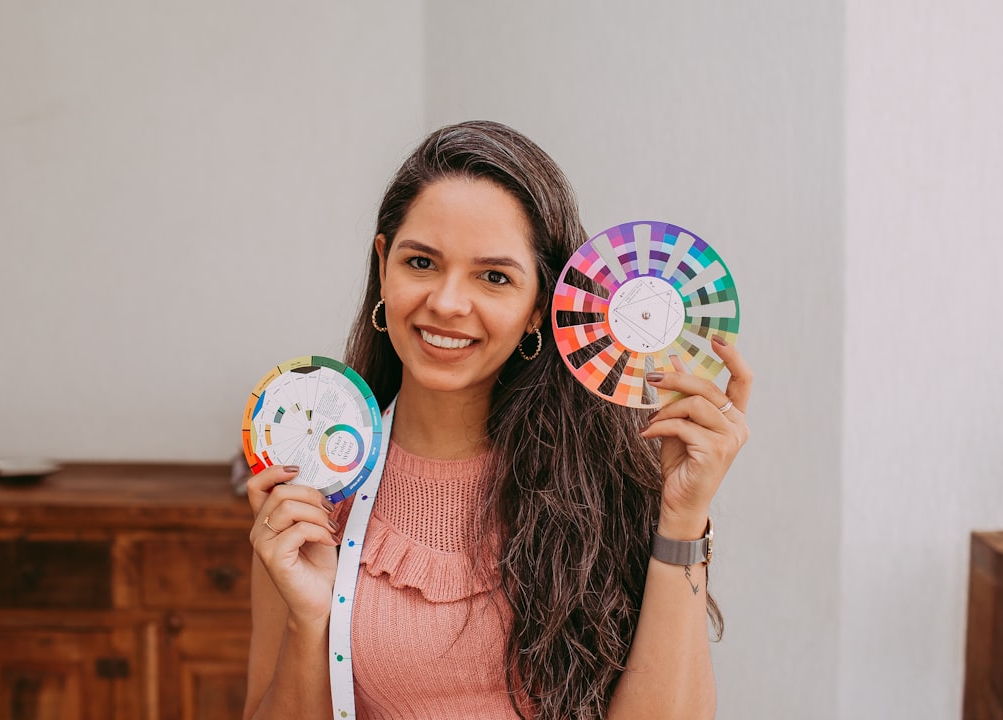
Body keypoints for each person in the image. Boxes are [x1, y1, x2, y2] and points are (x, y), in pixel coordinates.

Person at [243, 120, 752, 720]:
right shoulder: (312, 487)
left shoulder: (610, 484)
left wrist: (683, 520)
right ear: (383, 265)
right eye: (422, 262)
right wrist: (310, 624)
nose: (448, 302)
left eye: (494, 277)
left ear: (540, 304)